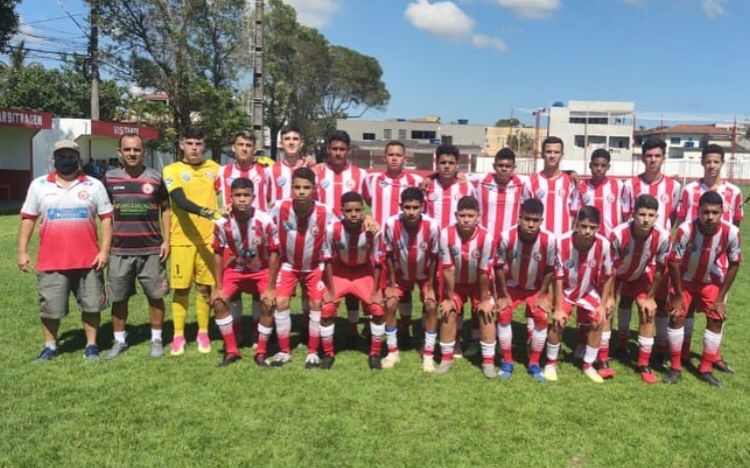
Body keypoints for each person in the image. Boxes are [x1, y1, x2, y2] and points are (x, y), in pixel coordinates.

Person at [18, 139, 113, 362]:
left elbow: (107, 219)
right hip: (52, 261)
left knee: (91, 305)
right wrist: (22, 251)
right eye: (62, 156)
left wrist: (105, 251)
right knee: (50, 308)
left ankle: (91, 345)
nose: (66, 160)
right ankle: (50, 346)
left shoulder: (94, 185)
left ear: (78, 159)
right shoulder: (39, 185)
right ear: (55, 159)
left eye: (71, 156)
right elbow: (28, 219)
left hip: (88, 260)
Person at [674, 143, 742, 373]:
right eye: (708, 161)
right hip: (690, 260)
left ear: (722, 163)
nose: (712, 165)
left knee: (716, 311)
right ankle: (683, 352)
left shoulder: (734, 192)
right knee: (687, 309)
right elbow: (681, 222)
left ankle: (714, 357)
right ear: (702, 162)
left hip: (718, 266)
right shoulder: (690, 190)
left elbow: (737, 226)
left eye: (716, 161)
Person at [664, 191, 741, 387]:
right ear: (699, 211)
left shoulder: (731, 232)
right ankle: (675, 367)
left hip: (710, 281)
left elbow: (734, 263)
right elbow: (673, 262)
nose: (710, 217)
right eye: (706, 212)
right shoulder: (686, 230)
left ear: (722, 212)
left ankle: (705, 369)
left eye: (715, 212)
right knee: (677, 316)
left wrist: (720, 298)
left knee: (716, 318)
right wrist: (679, 295)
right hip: (685, 279)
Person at [104, 134, 170, 359]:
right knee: (119, 298)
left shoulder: (155, 177)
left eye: (137, 149)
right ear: (119, 152)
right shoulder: (109, 178)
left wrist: (167, 240)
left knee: (155, 296)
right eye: (128, 149)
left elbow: (166, 209)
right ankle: (119, 341)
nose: (132, 153)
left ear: (144, 152)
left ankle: (157, 340)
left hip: (151, 250)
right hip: (119, 251)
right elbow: (103, 215)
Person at [619, 138, 681, 364]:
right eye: (649, 156)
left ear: (664, 158)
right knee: (625, 299)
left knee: (659, 301)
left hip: (658, 252)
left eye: (657, 156)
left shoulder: (674, 187)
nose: (653, 160)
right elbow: (625, 215)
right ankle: (622, 343)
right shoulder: (630, 185)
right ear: (642, 157)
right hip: (633, 252)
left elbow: (673, 218)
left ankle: (661, 345)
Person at [266, 167, 336, 368]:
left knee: (315, 305)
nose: (302, 191)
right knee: (280, 302)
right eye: (297, 187)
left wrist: (367, 219)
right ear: (291, 189)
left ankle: (313, 352)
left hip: (315, 267)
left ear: (314, 189)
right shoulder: (280, 207)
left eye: (306, 187)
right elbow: (261, 221)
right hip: (288, 266)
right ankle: (284, 351)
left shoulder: (325, 211)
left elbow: (342, 226)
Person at [162, 126, 222, 356]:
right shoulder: (171, 170)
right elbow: (180, 200)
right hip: (182, 239)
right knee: (181, 288)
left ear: (204, 145)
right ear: (181, 144)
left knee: (205, 288)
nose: (194, 148)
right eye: (190, 143)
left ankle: (203, 332)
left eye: (198, 143)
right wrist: (210, 213)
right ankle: (178, 335)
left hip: (209, 239)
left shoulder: (215, 169)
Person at [210, 178, 277, 367]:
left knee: (268, 302)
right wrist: (218, 286)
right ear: (230, 198)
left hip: (260, 270)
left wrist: (271, 287)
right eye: (238, 195)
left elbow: (274, 252)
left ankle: (261, 352)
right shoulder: (222, 223)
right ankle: (232, 351)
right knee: (218, 301)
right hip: (235, 270)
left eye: (246, 195)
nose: (242, 199)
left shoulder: (264, 220)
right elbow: (217, 253)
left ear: (253, 197)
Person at [362, 140, 423, 344]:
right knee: (379, 286)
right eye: (391, 155)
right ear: (384, 157)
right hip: (380, 244)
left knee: (404, 288)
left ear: (406, 159)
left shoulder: (415, 180)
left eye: (399, 155)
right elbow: (366, 201)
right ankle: (377, 326)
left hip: (407, 242)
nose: (394, 158)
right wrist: (369, 217)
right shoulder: (373, 179)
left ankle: (405, 327)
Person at [314, 131, 371, 346]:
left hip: (353, 238)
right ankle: (311, 330)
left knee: (353, 285)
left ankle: (352, 329)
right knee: (321, 285)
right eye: (334, 149)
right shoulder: (318, 173)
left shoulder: (359, 174)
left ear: (348, 151)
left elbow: (370, 200)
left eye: (342, 149)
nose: (337, 153)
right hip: (324, 238)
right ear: (328, 149)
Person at [546, 206, 614, 383]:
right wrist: (559, 308)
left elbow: (608, 276)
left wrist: (602, 304)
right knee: (558, 321)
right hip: (566, 290)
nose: (587, 231)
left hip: (587, 290)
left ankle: (588, 365)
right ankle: (551, 363)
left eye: (592, 227)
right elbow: (558, 277)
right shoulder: (561, 242)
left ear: (598, 227)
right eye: (583, 226)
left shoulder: (604, 244)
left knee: (599, 319)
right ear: (575, 224)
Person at [215, 131, 269, 348]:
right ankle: (236, 332)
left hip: (258, 235)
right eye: (240, 144)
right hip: (232, 237)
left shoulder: (266, 172)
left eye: (249, 144)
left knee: (258, 290)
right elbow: (213, 198)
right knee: (233, 288)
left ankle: (257, 333)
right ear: (233, 147)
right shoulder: (222, 172)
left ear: (254, 148)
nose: (245, 148)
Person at [608, 194, 670, 383]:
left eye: (651, 215)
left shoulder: (663, 236)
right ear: (633, 214)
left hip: (639, 276)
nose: (646, 219)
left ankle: (643, 362)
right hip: (616, 276)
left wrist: (651, 296)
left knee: (647, 310)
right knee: (607, 309)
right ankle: (607, 354)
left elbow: (660, 269)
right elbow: (609, 269)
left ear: (656, 217)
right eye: (642, 214)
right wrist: (609, 296)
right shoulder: (618, 234)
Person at [494, 198, 556, 382]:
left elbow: (550, 269)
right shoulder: (506, 236)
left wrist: (543, 294)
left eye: (535, 220)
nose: (530, 224)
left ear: (541, 221)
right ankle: (507, 361)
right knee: (503, 313)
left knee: (541, 317)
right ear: (519, 217)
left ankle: (534, 363)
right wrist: (503, 295)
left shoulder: (549, 240)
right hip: (511, 285)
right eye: (526, 219)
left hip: (535, 287)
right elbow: (498, 267)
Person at [321, 192, 384, 369]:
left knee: (377, 308)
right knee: (327, 308)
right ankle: (328, 354)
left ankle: (374, 353)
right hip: (340, 271)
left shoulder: (373, 231)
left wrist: (376, 291)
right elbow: (327, 259)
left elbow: (378, 262)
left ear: (364, 211)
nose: (354, 214)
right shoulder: (332, 229)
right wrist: (331, 291)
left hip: (363, 272)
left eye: (358, 210)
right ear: (342, 211)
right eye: (349, 211)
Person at [436, 196, 496, 378]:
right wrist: (448, 298)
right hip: (455, 283)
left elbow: (484, 272)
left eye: (471, 215)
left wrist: (485, 300)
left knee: (486, 313)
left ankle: (488, 362)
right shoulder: (446, 234)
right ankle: (446, 358)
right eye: (462, 215)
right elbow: (448, 270)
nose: (467, 219)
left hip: (479, 282)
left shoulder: (486, 237)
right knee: (449, 311)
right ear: (456, 215)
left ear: (478, 216)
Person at [380, 187, 440, 371]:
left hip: (424, 273)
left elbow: (436, 256)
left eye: (415, 207)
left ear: (423, 206)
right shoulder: (391, 224)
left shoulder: (432, 225)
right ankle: (392, 352)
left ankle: (428, 354)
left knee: (430, 305)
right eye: (407, 207)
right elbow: (388, 255)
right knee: (390, 304)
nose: (412, 212)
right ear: (401, 207)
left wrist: (430, 284)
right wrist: (391, 283)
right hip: (400, 272)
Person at [575, 148, 623, 369]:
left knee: (607, 296)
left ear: (608, 167)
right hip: (586, 246)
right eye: (595, 165)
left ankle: (603, 347)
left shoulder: (618, 186)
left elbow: (626, 215)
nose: (599, 169)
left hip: (609, 248)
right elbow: (574, 213)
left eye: (603, 166)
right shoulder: (581, 187)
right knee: (582, 292)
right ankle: (581, 341)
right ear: (590, 165)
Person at [527, 136, 580, 237]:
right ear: (542, 154)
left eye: (556, 152)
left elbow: (574, 211)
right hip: (538, 239)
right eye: (548, 152)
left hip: (562, 239)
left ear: (562, 155)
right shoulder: (531, 181)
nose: (552, 156)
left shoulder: (570, 181)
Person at [475, 147, 531, 239]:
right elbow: (460, 177)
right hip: (485, 240)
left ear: (514, 168)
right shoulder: (480, 181)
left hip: (510, 241)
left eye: (508, 166)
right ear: (494, 166)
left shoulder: (522, 183)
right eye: (500, 165)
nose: (504, 169)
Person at [266, 124, 315, 208]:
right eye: (287, 139)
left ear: (301, 143)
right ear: (281, 144)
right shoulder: (270, 170)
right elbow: (264, 200)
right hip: (280, 220)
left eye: (295, 139)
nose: (291, 142)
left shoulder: (311, 168)